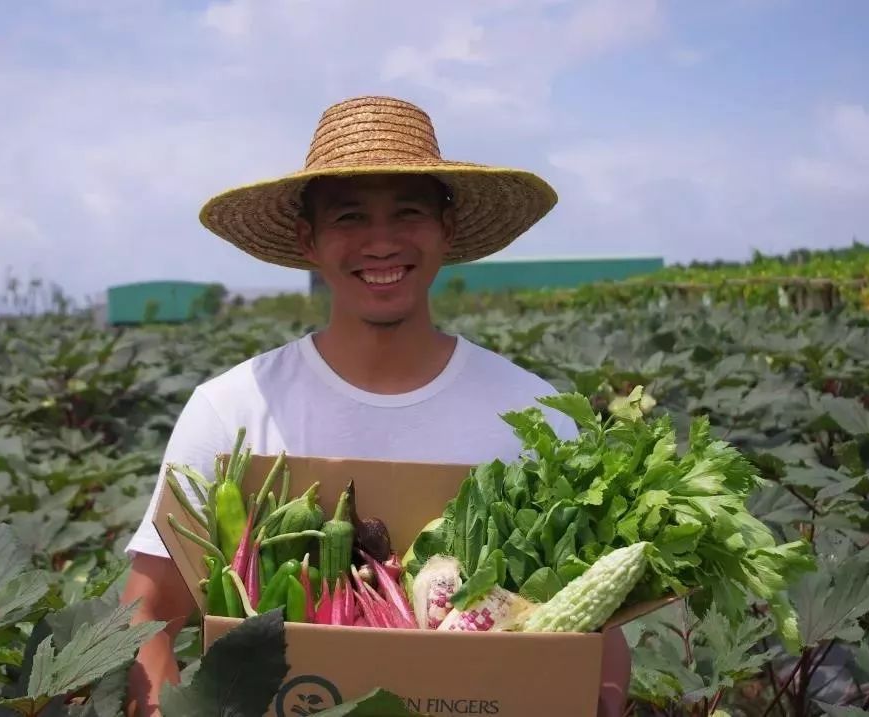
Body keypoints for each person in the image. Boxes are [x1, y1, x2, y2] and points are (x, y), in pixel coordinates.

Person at [119, 95, 632, 716]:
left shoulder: (534, 415)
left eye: (408, 212)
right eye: (349, 217)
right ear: (308, 239)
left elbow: (597, 634)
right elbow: (147, 615)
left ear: (446, 229)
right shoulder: (231, 411)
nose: (381, 242)